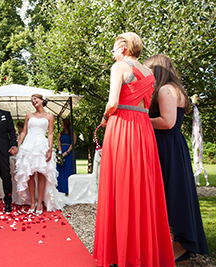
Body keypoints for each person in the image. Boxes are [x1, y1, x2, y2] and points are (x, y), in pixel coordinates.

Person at [93, 32, 175, 266]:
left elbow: (113, 103)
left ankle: (120, 251)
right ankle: (143, 251)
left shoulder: (118, 67)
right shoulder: (150, 74)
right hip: (143, 130)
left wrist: (105, 117)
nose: (112, 51)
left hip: (123, 126)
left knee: (119, 184)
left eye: (114, 46)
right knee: (142, 187)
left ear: (124, 47)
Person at [145, 54, 209, 263]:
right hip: (168, 146)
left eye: (149, 70)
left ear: (158, 71)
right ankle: (169, 243)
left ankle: (180, 246)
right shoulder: (172, 88)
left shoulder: (166, 90)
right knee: (168, 194)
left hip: (168, 147)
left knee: (174, 194)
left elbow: (167, 122)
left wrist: (140, 118)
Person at [15, 94, 67, 214]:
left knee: (41, 174)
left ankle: (40, 203)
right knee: (30, 175)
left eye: (35, 99)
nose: (33, 101)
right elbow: (24, 132)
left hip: (42, 146)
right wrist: (18, 145)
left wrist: (49, 150)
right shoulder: (29, 115)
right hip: (29, 145)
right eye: (31, 100)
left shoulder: (50, 116)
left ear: (42, 100)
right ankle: (33, 201)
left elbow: (50, 134)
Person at [56, 118, 76, 194]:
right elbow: (58, 142)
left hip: (69, 153)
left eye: (62, 123)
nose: (61, 125)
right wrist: (60, 152)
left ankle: (69, 189)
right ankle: (60, 188)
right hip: (61, 151)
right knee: (61, 170)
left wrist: (67, 152)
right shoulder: (60, 134)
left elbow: (73, 143)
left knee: (68, 169)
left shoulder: (72, 133)